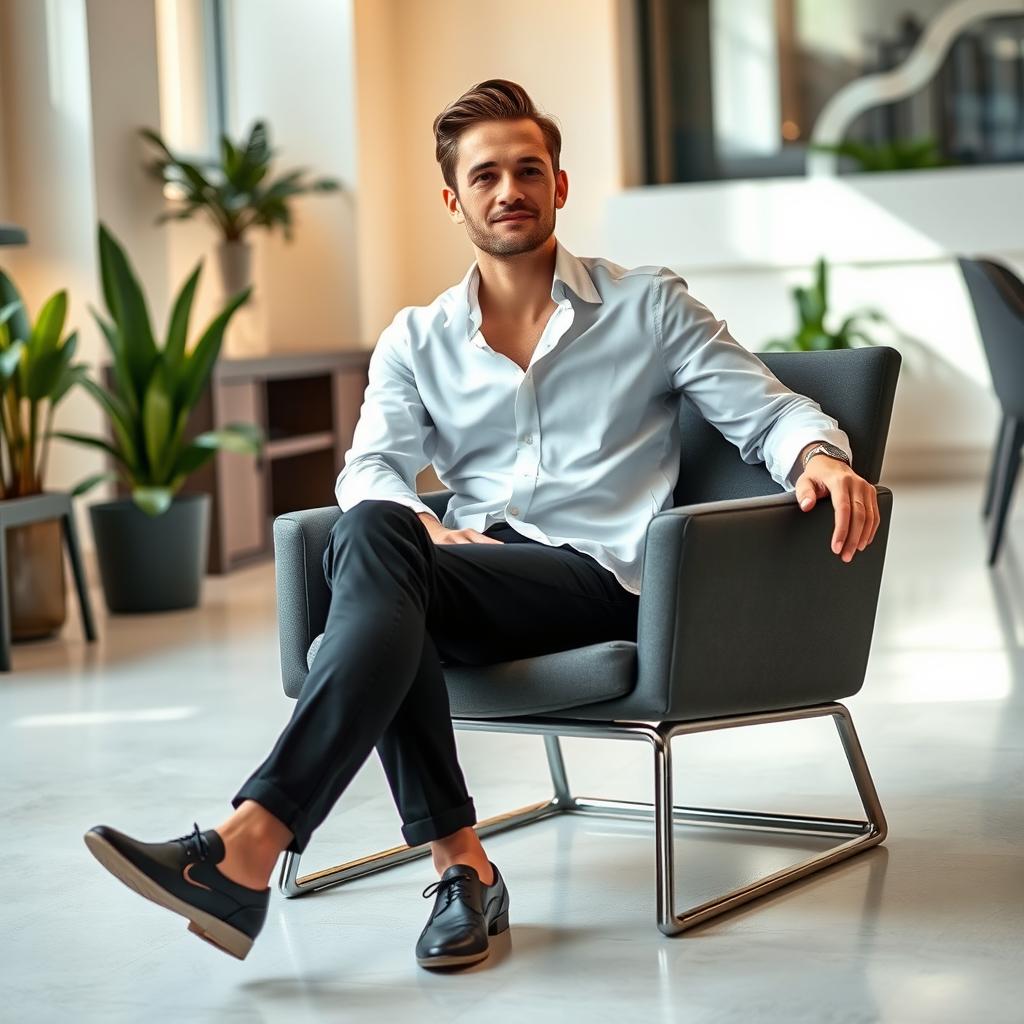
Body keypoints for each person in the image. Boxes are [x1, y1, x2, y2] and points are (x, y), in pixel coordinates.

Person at [84, 79, 882, 970]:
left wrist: (822, 458)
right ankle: (461, 870)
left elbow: (766, 413)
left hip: (600, 580)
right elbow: (373, 467)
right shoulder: (416, 338)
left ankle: (255, 842)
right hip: (470, 576)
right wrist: (422, 532)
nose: (510, 190)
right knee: (382, 548)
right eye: (487, 175)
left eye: (529, 170)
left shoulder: (648, 307)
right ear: (453, 199)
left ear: (559, 186)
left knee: (375, 559)